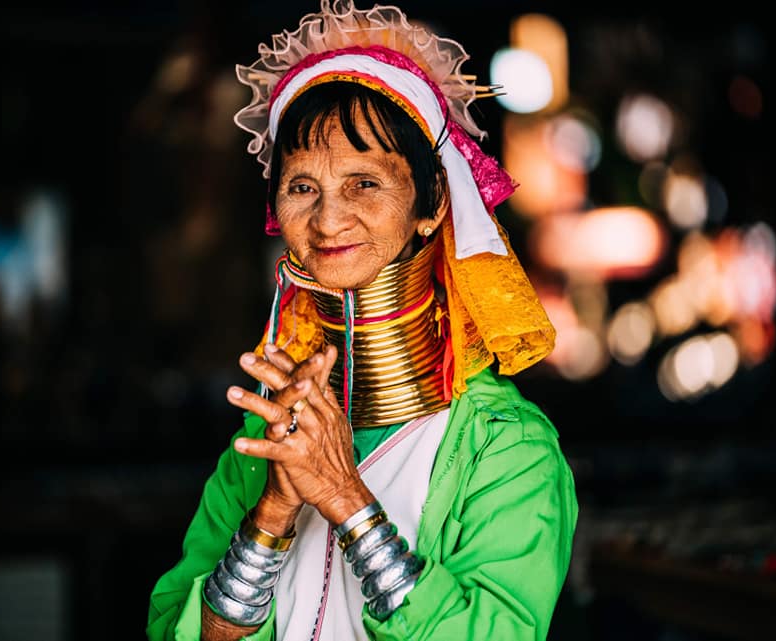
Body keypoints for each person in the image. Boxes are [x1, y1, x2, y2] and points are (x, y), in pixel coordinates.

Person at [147, 2, 577, 640]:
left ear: (432, 205)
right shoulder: (264, 442)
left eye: (364, 184)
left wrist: (347, 501)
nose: (326, 220)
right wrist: (272, 511)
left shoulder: (505, 449)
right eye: (301, 188)